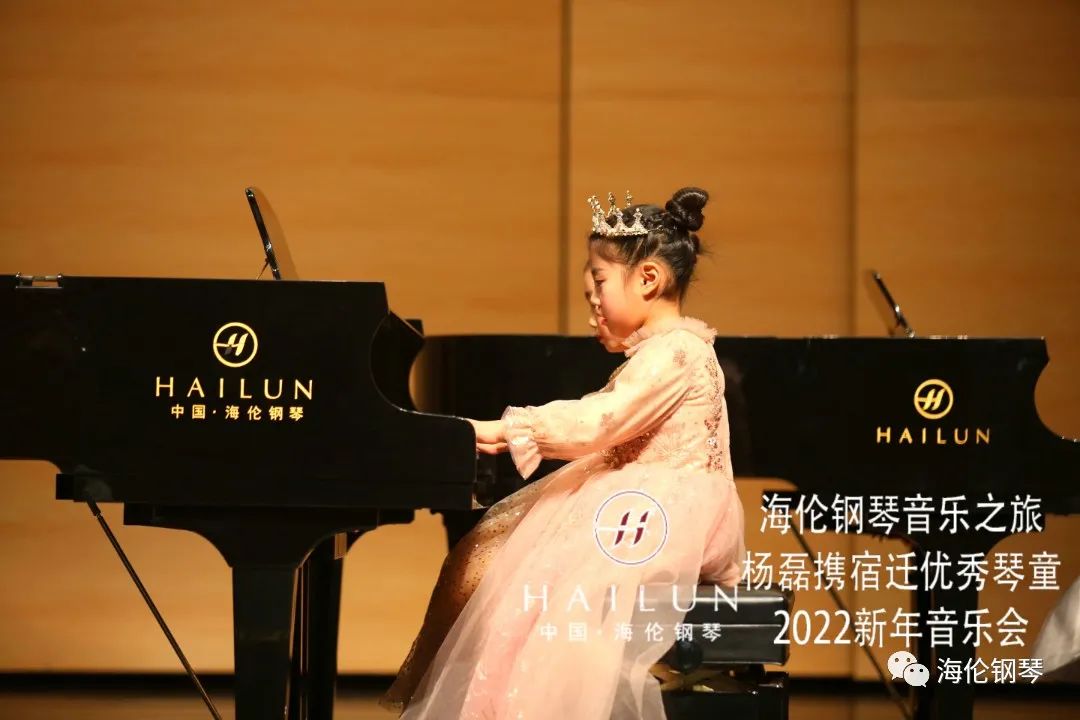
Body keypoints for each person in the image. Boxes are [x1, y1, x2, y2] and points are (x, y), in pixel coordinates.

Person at [379, 187, 745, 719]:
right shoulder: (669, 348)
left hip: (662, 511)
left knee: (528, 583)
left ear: (648, 279)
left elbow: (600, 419)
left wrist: (510, 427)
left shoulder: (677, 352)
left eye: (599, 284)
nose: (592, 303)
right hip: (651, 502)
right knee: (489, 557)